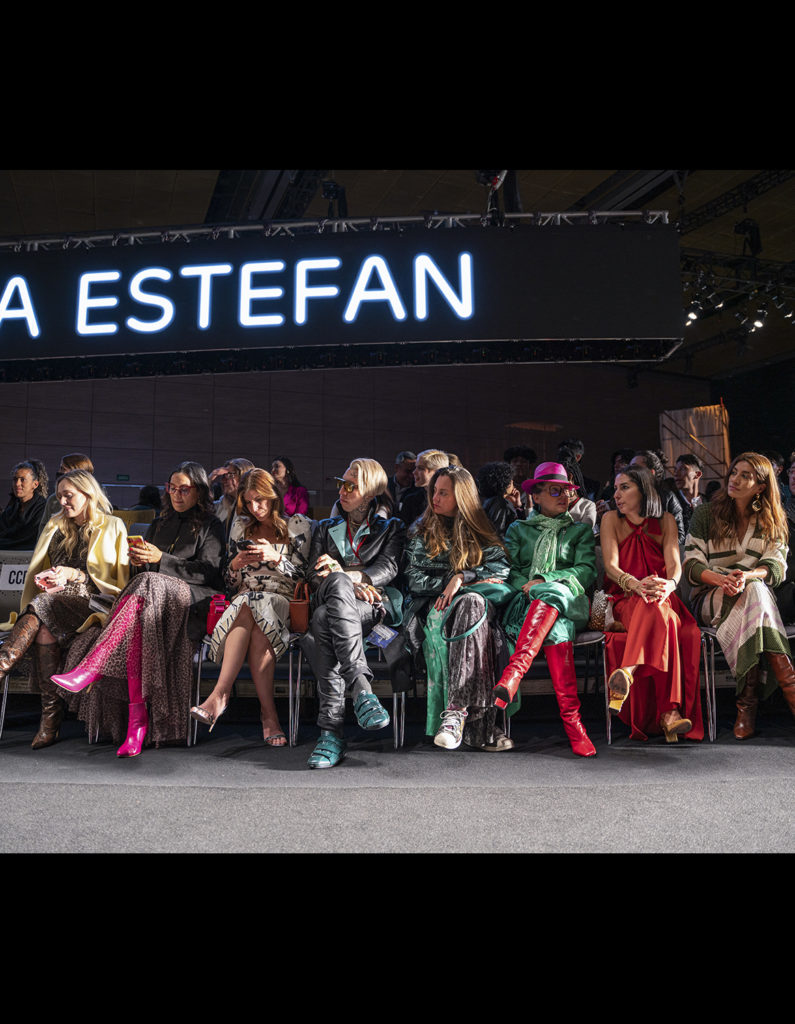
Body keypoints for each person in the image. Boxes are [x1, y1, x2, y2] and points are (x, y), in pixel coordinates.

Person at [50, 461, 226, 757]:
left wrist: (160, 560)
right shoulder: (159, 522)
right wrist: (140, 562)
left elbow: (209, 574)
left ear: (200, 491)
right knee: (137, 624)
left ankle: (92, 668)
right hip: (152, 601)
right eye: (172, 488)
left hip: (192, 600)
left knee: (148, 583)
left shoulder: (212, 524)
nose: (177, 495)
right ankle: (137, 724)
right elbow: (145, 576)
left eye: (185, 489)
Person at [0, 470, 129, 749]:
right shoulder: (56, 525)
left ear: (87, 494)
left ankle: (2, 666)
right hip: (55, 600)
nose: (62, 502)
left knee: (43, 608)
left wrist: (73, 575)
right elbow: (43, 566)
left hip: (94, 601)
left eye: (68, 496)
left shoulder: (112, 525)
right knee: (44, 626)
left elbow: (114, 582)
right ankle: (50, 722)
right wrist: (49, 577)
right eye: (59, 496)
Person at [190, 468, 311, 745]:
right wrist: (234, 565)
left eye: (261, 500)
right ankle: (269, 716)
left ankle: (220, 695)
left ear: (273, 497)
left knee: (251, 605)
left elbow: (306, 578)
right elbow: (230, 583)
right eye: (249, 502)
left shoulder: (298, 525)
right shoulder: (241, 526)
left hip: (281, 599)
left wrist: (276, 558)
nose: (255, 508)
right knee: (248, 606)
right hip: (245, 600)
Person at [300, 458, 406, 769]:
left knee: (322, 621)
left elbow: (388, 568)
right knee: (332, 589)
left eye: (351, 486)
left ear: (371, 492)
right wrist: (341, 582)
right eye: (341, 483)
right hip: (333, 599)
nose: (342, 491)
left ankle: (330, 733)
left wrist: (349, 577)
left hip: (373, 605)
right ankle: (362, 690)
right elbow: (313, 574)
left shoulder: (391, 528)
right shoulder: (325, 527)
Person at [683, 452, 795, 740]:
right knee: (755, 597)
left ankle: (747, 706)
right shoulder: (706, 514)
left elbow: (776, 568)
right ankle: (788, 687)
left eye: (745, 475)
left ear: (761, 486)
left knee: (755, 591)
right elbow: (691, 566)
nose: (735, 479)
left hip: (754, 598)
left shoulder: (772, 520)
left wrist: (746, 576)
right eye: (734, 472)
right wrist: (722, 579)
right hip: (710, 596)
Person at [492, 462, 598, 757]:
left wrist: (544, 580)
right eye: (555, 490)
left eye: (566, 490)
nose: (563, 495)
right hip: (528, 604)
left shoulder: (579, 531)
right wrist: (532, 587)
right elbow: (509, 572)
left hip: (570, 598)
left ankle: (514, 672)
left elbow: (586, 572)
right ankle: (575, 726)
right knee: (557, 625)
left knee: (552, 593)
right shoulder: (518, 529)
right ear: (535, 496)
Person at [404, 465, 513, 751]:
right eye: (434, 492)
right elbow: (415, 579)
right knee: (472, 607)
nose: (435, 499)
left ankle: (456, 711)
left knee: (472, 603)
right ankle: (483, 726)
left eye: (443, 493)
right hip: (433, 606)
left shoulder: (480, 530)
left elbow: (500, 570)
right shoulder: (421, 531)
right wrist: (448, 583)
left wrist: (462, 578)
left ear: (462, 497)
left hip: (472, 606)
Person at [600, 466, 704, 742]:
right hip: (625, 597)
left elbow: (674, 567)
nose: (617, 495)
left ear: (643, 489)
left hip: (662, 596)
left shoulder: (667, 520)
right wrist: (635, 585)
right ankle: (670, 713)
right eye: (615, 489)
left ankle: (628, 671)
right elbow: (610, 567)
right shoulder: (610, 518)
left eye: (624, 487)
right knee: (664, 620)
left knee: (661, 610)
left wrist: (669, 585)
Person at [629, 450, 686, 545]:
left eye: (635, 468)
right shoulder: (624, 497)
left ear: (651, 473)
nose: (629, 472)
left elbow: (679, 536)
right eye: (629, 468)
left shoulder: (667, 498)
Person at [38, 453, 94, 536]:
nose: (62, 502)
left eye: (63, 468)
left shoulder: (95, 500)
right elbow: (43, 529)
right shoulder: (53, 499)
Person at [0, 460, 48, 550]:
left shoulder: (43, 508)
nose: (17, 484)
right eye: (15, 479)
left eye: (23, 480)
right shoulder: (11, 510)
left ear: (35, 484)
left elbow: (30, 540)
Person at [398, 448, 449, 526]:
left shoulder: (450, 500)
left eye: (420, 468)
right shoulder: (410, 500)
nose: (414, 472)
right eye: (416, 467)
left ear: (436, 472)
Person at [476, 460, 526, 540]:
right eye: (510, 479)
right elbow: (498, 534)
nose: (512, 482)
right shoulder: (500, 504)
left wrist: (518, 506)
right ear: (506, 483)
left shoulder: (491, 501)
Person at [212, 458, 254, 539]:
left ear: (244, 477)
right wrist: (210, 478)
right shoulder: (222, 503)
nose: (224, 480)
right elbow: (201, 509)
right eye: (224, 476)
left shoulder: (254, 507)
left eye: (230, 475)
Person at [673, 453, 704, 535]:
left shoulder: (708, 503)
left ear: (697, 474)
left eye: (683, 469)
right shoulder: (671, 502)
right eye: (675, 469)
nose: (676, 474)